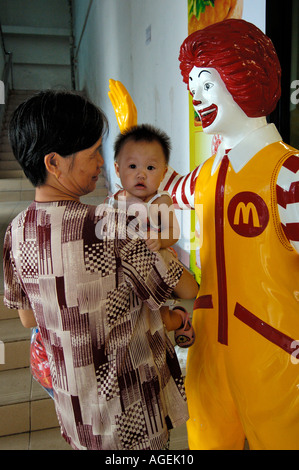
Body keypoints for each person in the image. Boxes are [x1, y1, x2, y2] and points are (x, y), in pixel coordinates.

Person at [108, 18, 299, 450]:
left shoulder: (288, 173)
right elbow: (163, 181)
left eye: (206, 84)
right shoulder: (210, 174)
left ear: (243, 80)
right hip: (210, 349)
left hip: (278, 355)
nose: (195, 96)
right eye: (192, 86)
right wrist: (130, 135)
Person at [3, 89, 198, 450]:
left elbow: (29, 320)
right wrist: (162, 245)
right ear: (54, 163)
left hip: (76, 411)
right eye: (92, 153)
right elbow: (187, 289)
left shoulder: (15, 232)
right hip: (132, 412)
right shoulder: (110, 226)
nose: (99, 163)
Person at [110, 123, 196, 348]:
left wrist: (161, 240)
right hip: (130, 268)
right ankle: (174, 320)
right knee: (150, 315)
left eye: (150, 168)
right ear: (118, 169)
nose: (141, 174)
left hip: (161, 261)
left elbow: (173, 232)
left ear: (164, 172)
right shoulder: (114, 201)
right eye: (132, 166)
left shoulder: (160, 201)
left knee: (191, 291)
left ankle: (182, 317)